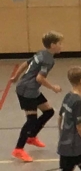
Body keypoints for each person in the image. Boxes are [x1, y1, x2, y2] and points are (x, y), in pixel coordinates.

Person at [11, 31, 64, 162]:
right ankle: (18, 149)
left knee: (48, 111)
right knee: (31, 120)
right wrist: (53, 87)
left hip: (30, 89)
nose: (61, 46)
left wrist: (16, 77)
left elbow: (25, 64)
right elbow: (40, 78)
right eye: (59, 43)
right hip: (27, 90)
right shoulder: (48, 60)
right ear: (53, 45)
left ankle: (31, 137)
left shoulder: (41, 53)